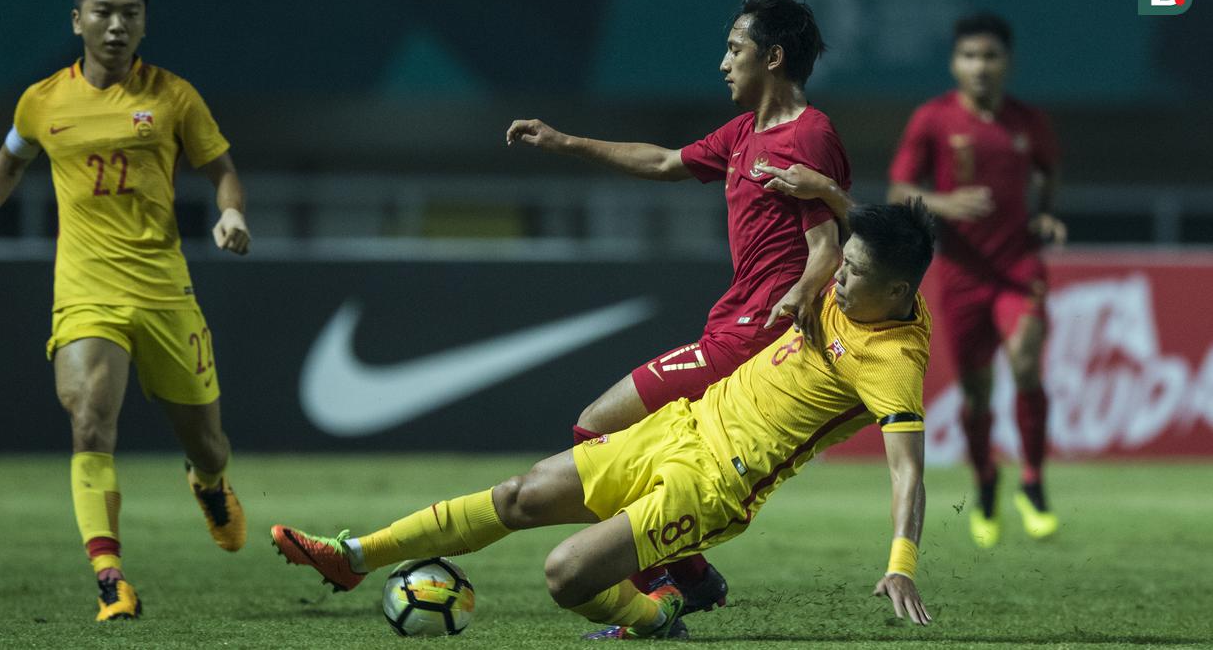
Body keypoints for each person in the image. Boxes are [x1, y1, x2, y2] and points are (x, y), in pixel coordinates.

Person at [273, 201, 937, 639]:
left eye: (853, 274)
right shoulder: (861, 281)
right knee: (517, 494)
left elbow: (908, 471)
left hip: (713, 484)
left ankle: (657, 614)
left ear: (898, 292)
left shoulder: (892, 363)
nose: (838, 281)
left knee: (565, 575)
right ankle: (355, 557)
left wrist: (900, 563)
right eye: (842, 265)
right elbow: (833, 243)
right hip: (679, 425)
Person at [504, 0, 850, 609]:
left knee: (597, 427)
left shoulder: (810, 134)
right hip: (732, 325)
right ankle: (687, 575)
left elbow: (827, 244)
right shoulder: (746, 131)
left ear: (772, 58)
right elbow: (665, 161)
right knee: (624, 445)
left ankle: (675, 582)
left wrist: (799, 294)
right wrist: (564, 142)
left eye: (733, 48)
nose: (723, 62)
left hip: (758, 337)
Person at [0, 0, 251, 620]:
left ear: (143, 22)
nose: (115, 25)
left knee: (207, 442)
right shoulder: (42, 102)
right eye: (102, 11)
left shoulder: (173, 97)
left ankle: (210, 484)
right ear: (78, 18)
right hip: (85, 291)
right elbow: (7, 169)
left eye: (129, 13)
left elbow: (220, 169)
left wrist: (231, 212)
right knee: (90, 420)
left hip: (163, 291)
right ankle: (110, 579)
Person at [887, 13, 1064, 548]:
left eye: (990, 56)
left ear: (1006, 62)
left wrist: (1044, 214)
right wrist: (943, 203)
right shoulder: (933, 119)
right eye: (969, 56)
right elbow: (899, 190)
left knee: (1028, 361)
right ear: (954, 63)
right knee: (977, 392)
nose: (980, 66)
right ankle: (986, 478)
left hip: (1018, 267)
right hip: (963, 275)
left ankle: (1032, 481)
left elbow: (1049, 172)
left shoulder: (1027, 121)